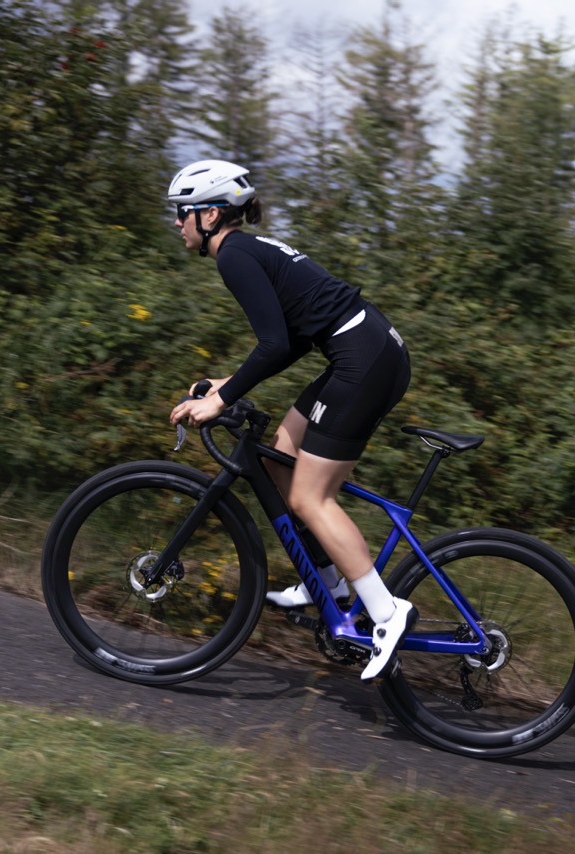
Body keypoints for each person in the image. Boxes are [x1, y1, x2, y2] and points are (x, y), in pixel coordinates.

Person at [166, 159, 415, 681]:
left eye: (182, 213)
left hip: (363, 359)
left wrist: (222, 398)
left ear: (210, 215)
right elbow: (294, 338)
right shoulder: (248, 249)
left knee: (309, 497)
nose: (177, 223)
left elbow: (276, 342)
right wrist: (226, 386)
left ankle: (387, 613)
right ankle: (330, 580)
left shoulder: (233, 256)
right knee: (281, 455)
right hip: (364, 351)